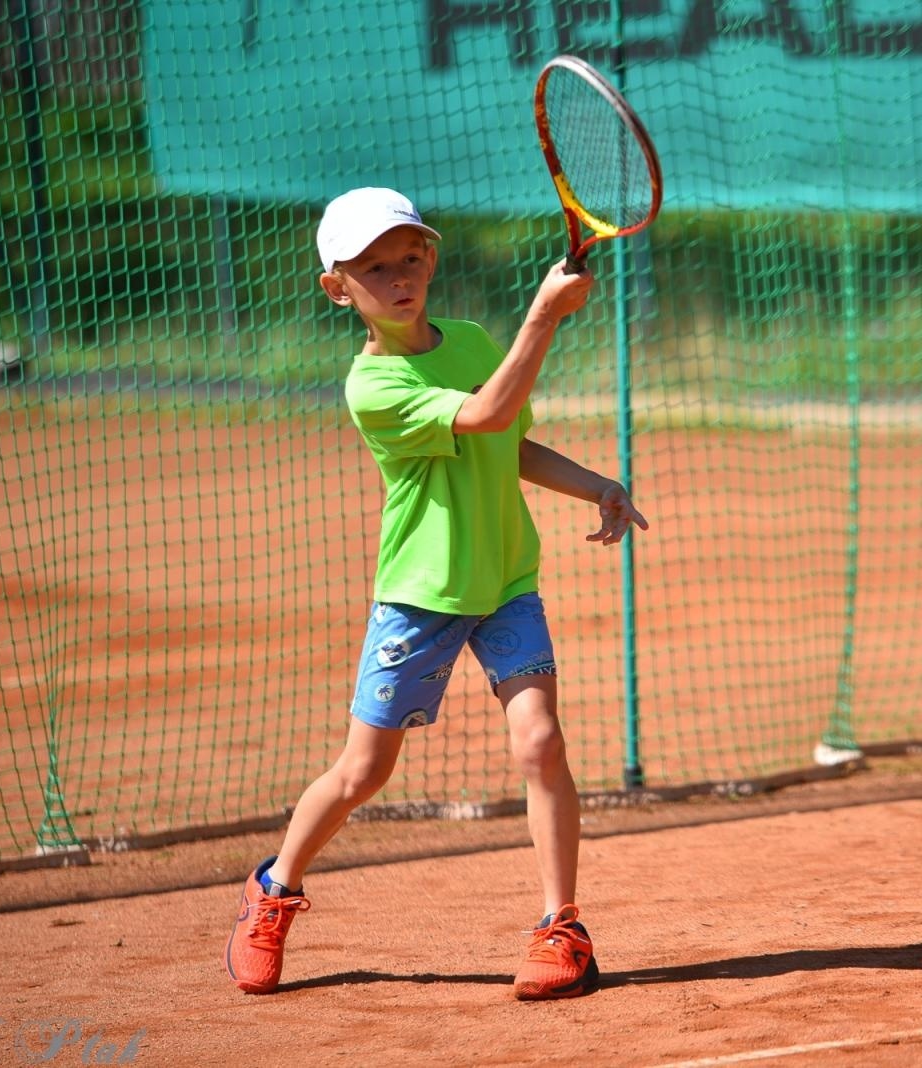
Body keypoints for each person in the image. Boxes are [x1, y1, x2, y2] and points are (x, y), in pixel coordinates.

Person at [224, 187, 648, 1001]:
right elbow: (487, 415)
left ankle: (563, 927)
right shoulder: (372, 386)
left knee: (542, 744)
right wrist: (546, 316)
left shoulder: (474, 340)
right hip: (420, 598)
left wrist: (597, 484)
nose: (398, 276)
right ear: (337, 287)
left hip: (506, 583)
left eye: (410, 257)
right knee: (363, 772)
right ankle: (273, 890)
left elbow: (509, 441)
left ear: (432, 259)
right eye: (373, 266)